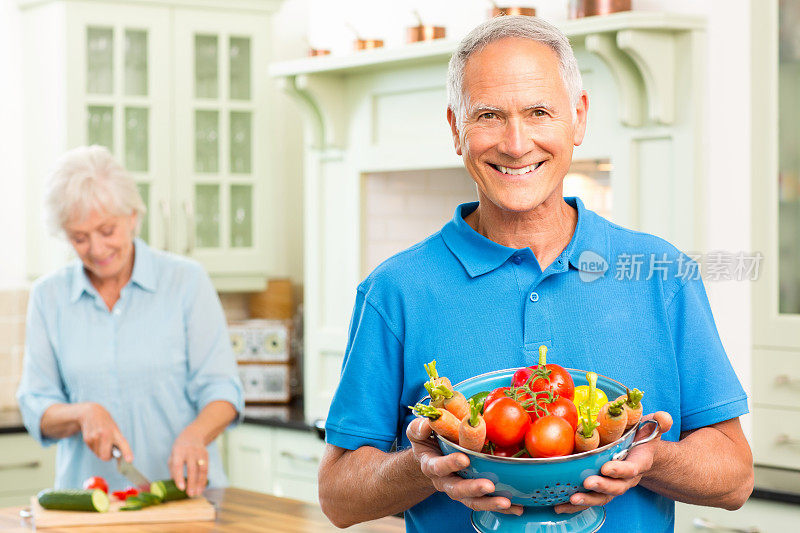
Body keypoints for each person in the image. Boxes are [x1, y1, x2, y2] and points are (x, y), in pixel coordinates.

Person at [318, 15, 753, 533]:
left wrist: (649, 458)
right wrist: (424, 468)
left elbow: (734, 477)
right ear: (457, 129)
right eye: (489, 116)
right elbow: (338, 498)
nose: (517, 143)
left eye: (539, 112)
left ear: (579, 117)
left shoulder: (662, 275)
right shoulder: (396, 290)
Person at [16, 145, 244, 496]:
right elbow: (36, 405)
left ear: (134, 216)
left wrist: (196, 435)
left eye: (107, 230)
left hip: (184, 497)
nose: (96, 248)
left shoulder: (186, 281)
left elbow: (223, 391)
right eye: (79, 237)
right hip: (88, 504)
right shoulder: (49, 296)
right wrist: (82, 413)